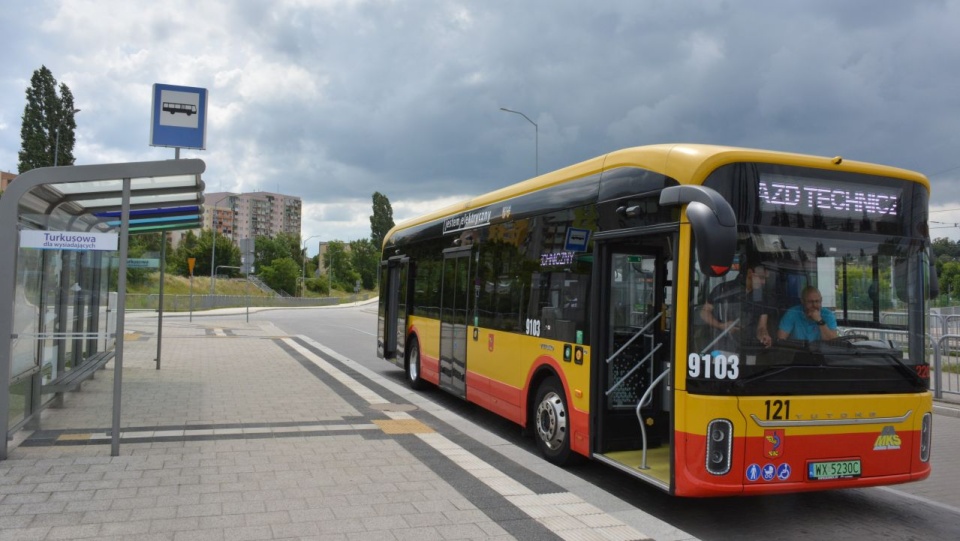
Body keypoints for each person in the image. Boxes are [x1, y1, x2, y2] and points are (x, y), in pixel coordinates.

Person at [700, 263, 773, 349]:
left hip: (748, 345)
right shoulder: (724, 289)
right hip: (723, 343)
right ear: (749, 274)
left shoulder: (761, 296)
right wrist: (720, 325)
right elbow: (704, 312)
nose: (763, 282)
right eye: (761, 278)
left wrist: (763, 335)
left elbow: (762, 326)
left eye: (765, 279)